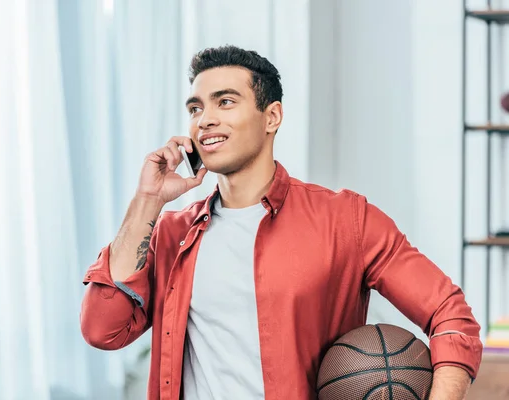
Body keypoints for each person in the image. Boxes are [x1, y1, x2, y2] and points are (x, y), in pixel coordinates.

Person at [80, 45, 482, 400]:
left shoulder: (346, 220)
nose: (204, 120)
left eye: (225, 102)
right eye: (196, 108)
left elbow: (450, 314)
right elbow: (103, 329)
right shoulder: (171, 232)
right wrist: (148, 200)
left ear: (271, 116)